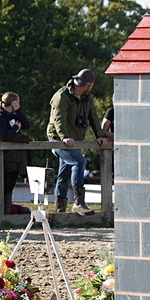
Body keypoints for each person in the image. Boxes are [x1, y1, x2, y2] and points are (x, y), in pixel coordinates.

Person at [46, 69, 109, 215]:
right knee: (79, 162)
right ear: (88, 85)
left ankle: (59, 209)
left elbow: (93, 116)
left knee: (65, 171)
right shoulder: (62, 96)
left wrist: (100, 135)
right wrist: (64, 137)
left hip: (75, 141)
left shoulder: (87, 98)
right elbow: (58, 119)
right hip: (58, 139)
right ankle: (78, 202)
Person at [0, 92, 31, 212]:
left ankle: (7, 212)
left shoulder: (12, 115)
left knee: (10, 186)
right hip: (4, 157)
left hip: (14, 157)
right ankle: (1, 212)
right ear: (14, 103)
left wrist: (18, 111)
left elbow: (27, 125)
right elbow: (4, 135)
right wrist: (15, 128)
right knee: (5, 186)